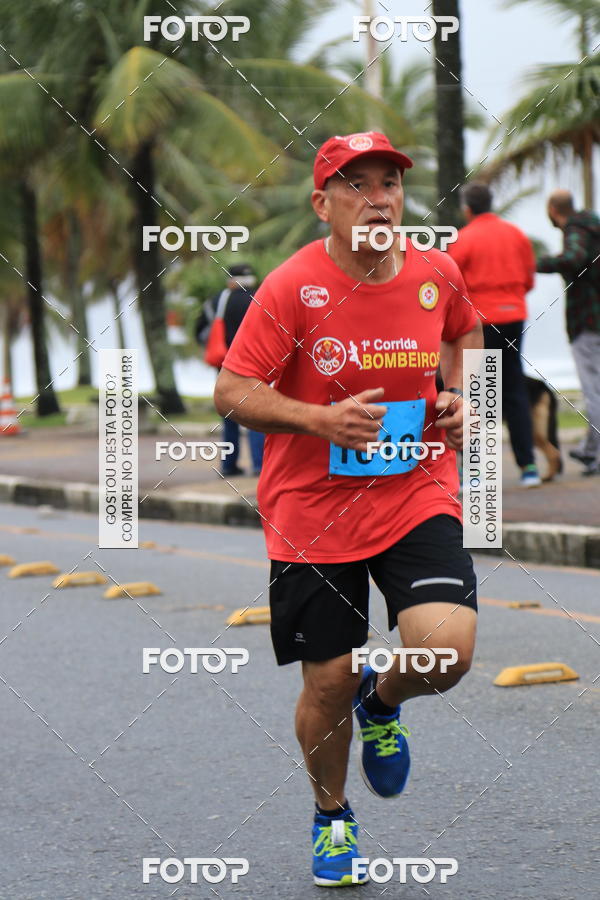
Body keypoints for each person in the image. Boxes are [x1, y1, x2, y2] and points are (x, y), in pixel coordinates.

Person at [214, 131, 482, 888]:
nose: (376, 199)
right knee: (326, 679)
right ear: (322, 203)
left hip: (414, 486)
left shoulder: (436, 269)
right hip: (313, 506)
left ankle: (385, 697)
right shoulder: (292, 286)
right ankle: (332, 815)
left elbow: (464, 328)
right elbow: (232, 393)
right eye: (356, 185)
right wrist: (319, 420)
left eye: (388, 184)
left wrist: (458, 394)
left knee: (446, 651)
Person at [447, 182, 541, 487]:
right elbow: (529, 280)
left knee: (478, 395)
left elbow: (450, 284)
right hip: (514, 316)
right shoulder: (516, 234)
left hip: (483, 323)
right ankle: (528, 468)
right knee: (513, 389)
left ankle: (475, 473)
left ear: (468, 208)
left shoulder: (463, 239)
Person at [537, 190, 600, 477]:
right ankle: (589, 448)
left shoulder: (575, 229)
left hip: (587, 321)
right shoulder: (592, 226)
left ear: (553, 209)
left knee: (594, 390)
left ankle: (596, 453)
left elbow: (575, 257)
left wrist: (538, 264)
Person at [196, 263, 264, 476]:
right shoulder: (262, 297)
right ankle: (259, 464)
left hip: (225, 365)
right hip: (256, 364)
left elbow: (199, 331)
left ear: (231, 280)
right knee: (256, 413)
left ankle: (229, 464)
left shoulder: (218, 301)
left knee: (229, 414)